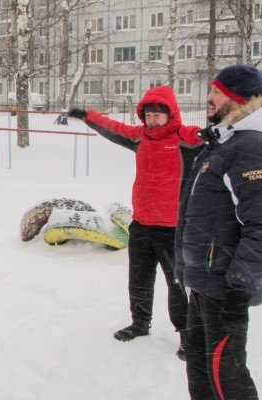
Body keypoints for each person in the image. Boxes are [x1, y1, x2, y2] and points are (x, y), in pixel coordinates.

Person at [175, 64, 262, 399]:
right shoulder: (223, 143)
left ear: (238, 99)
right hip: (203, 282)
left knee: (227, 379)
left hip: (224, 288)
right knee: (200, 370)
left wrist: (240, 285)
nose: (208, 98)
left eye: (217, 92)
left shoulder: (250, 147)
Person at [69, 86, 202, 359]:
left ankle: (188, 336)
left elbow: (212, 136)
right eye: (148, 115)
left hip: (172, 227)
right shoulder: (140, 137)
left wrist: (215, 131)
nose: (152, 120)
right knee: (139, 279)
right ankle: (140, 323)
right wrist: (88, 116)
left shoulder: (184, 138)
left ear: (171, 115)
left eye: (157, 115)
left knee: (177, 284)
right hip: (141, 223)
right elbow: (114, 128)